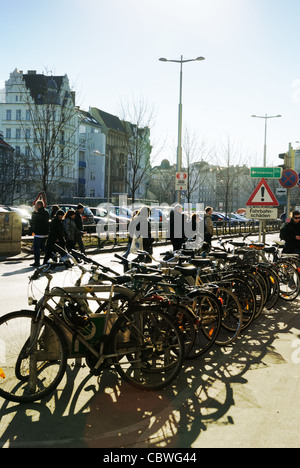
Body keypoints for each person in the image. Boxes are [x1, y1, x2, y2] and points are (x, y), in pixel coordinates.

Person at [30, 200, 50, 267]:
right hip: (45, 233)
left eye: (36, 205)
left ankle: (37, 262)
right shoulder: (46, 212)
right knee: (43, 247)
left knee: (36, 248)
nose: (35, 206)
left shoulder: (37, 213)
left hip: (38, 233)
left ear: (39, 205)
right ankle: (52, 255)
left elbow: (33, 221)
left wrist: (34, 213)